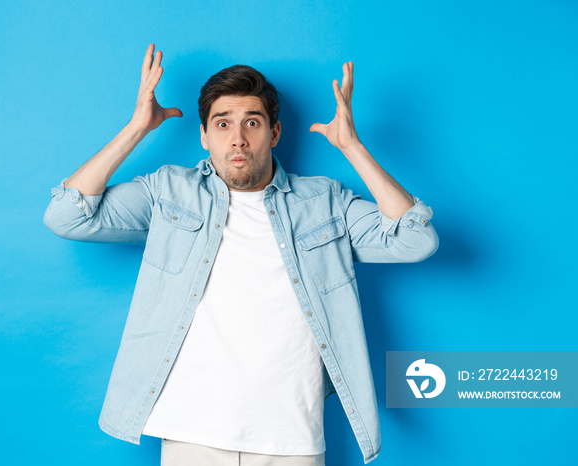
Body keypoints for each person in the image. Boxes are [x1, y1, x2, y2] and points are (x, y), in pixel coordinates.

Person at [43, 43, 438, 465]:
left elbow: (415, 241)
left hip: (291, 435)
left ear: (274, 132)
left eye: (252, 122)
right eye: (222, 123)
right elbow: (66, 216)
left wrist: (352, 148)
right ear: (204, 135)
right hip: (191, 429)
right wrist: (138, 128)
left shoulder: (324, 202)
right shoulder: (168, 192)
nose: (237, 138)